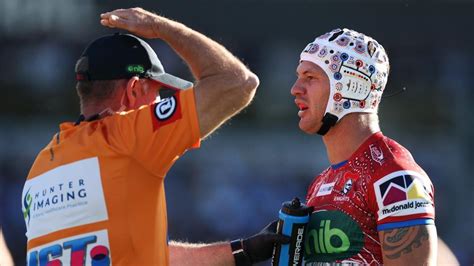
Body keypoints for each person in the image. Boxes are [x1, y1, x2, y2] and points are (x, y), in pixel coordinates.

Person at [21, 7, 286, 266]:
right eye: (158, 93)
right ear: (134, 90)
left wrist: (244, 251)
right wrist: (161, 27)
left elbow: (144, 252)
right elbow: (237, 83)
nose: (161, 101)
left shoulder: (41, 166)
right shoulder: (128, 136)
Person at [289, 28, 438, 265]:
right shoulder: (321, 182)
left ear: (350, 86)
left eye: (310, 77)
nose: (295, 88)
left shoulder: (395, 176)